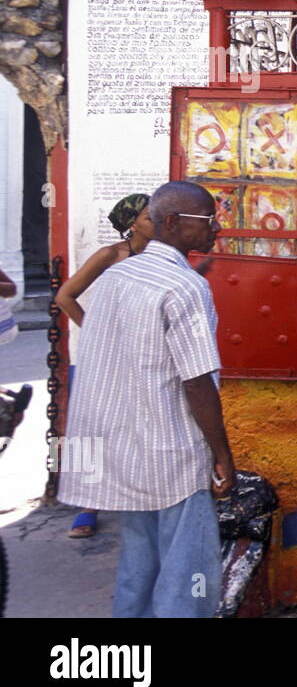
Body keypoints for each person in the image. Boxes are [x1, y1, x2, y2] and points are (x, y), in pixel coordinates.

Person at [57, 180, 234, 618]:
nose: (216, 229)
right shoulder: (184, 287)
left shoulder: (119, 276)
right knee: (187, 570)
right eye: (209, 221)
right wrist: (222, 455)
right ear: (173, 223)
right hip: (173, 449)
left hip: (131, 448)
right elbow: (197, 382)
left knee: (139, 561)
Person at [54, 193, 154, 539]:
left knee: (137, 424)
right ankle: (87, 506)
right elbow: (65, 296)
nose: (154, 220)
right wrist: (97, 332)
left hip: (144, 354)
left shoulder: (165, 256)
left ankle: (135, 495)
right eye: (147, 216)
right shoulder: (110, 256)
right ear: (131, 223)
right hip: (106, 357)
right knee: (95, 428)